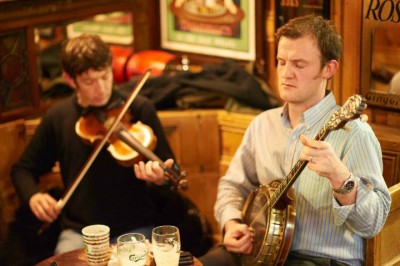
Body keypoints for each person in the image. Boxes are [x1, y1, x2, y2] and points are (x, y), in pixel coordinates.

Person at [199, 15, 391, 266]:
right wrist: (231, 221)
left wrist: (341, 179)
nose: (286, 73)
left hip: (321, 260)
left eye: (299, 65)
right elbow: (233, 186)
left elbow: (373, 224)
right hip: (259, 253)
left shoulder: (355, 134)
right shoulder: (262, 125)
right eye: (281, 62)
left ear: (328, 69)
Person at [11, 34, 178, 255]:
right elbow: (23, 169)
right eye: (89, 82)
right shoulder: (59, 117)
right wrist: (33, 195)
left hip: (135, 229)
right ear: (71, 80)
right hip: (80, 233)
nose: (101, 89)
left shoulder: (138, 108)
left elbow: (171, 170)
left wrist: (160, 179)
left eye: (105, 76)